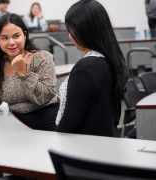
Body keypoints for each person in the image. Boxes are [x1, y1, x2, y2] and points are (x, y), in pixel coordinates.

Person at [0, 13, 59, 131]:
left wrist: (24, 72)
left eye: (16, 36)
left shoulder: (42, 58)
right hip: (17, 124)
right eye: (4, 38)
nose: (11, 42)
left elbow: (44, 97)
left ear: (24, 35)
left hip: (48, 122)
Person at [56, 0, 128, 137]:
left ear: (85, 30)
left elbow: (69, 125)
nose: (69, 36)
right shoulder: (112, 61)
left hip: (84, 148)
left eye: (71, 30)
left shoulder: (85, 68)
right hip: (105, 142)